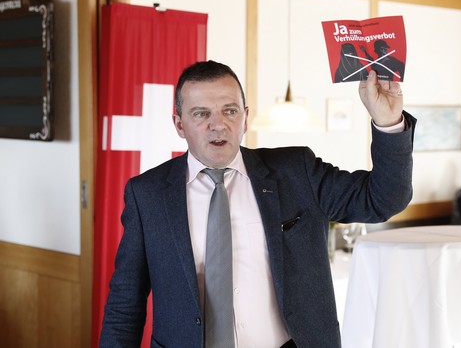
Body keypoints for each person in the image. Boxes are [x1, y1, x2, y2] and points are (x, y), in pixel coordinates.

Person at [99, 60, 416, 347]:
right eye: (201, 114)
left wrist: (388, 122)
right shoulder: (147, 194)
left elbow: (383, 198)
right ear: (179, 124)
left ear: (246, 118)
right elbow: (126, 300)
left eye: (230, 110)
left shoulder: (297, 171)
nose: (218, 124)